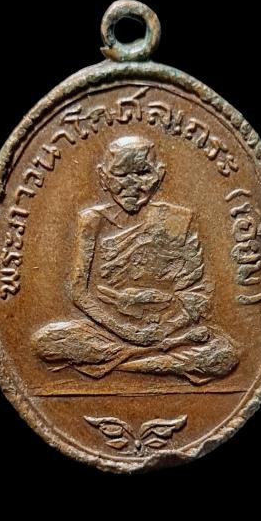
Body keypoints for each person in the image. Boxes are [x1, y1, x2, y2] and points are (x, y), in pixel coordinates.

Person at [32, 135, 238, 383]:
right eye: (120, 175)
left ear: (159, 175)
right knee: (46, 342)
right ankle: (151, 359)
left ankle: (126, 362)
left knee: (226, 354)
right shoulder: (93, 221)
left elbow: (197, 292)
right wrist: (127, 331)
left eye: (142, 173)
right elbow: (79, 293)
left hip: (171, 327)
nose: (131, 185)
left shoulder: (178, 220)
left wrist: (167, 328)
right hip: (108, 329)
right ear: (104, 177)